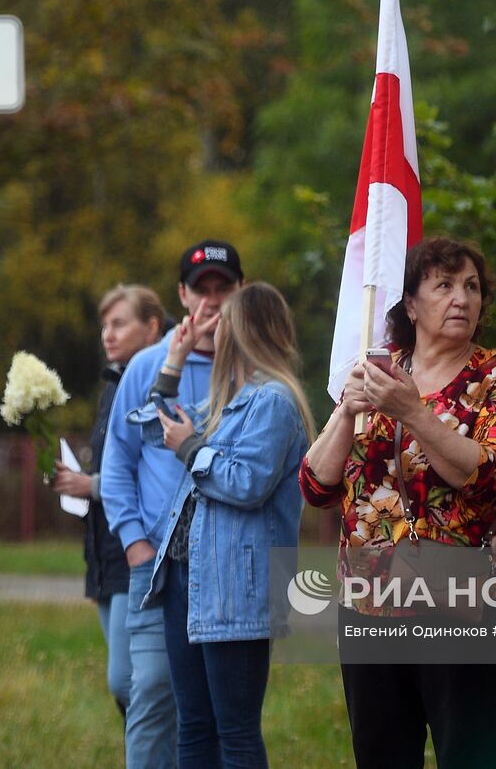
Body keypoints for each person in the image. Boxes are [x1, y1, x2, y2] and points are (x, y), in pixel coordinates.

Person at [301, 237, 496, 768]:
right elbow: (316, 487)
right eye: (445, 285)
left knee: (468, 755)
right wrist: (345, 412)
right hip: (370, 603)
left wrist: (414, 412)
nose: (462, 298)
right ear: (410, 304)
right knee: (381, 756)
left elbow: (491, 481)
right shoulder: (378, 370)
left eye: (472, 287)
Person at [148, 282, 313, 768]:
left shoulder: (273, 402)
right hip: (187, 578)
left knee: (235, 733)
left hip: (234, 587)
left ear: (242, 331)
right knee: (193, 724)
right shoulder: (229, 401)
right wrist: (172, 362)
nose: (213, 334)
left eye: (222, 325)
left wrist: (190, 449)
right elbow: (151, 425)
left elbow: (248, 484)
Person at [102, 239, 244, 769]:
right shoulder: (147, 366)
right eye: (200, 289)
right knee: (154, 693)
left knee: (218, 709)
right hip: (157, 563)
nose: (212, 301)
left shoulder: (252, 368)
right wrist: (135, 544)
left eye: (222, 288)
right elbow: (118, 460)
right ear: (182, 295)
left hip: (227, 563)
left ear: (241, 292)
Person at [51, 284, 165, 716]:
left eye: (119, 323)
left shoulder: (160, 382)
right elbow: (115, 464)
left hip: (135, 549)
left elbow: (158, 471)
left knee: (127, 680)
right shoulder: (113, 384)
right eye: (104, 326)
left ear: (152, 326)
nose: (107, 335)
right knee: (127, 686)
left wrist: (92, 486)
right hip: (103, 545)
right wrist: (77, 482)